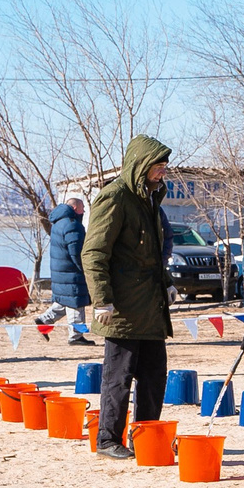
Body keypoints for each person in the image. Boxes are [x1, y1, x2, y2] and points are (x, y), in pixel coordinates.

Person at [82, 135, 175, 457]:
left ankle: (146, 436)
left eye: (164, 166)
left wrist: (167, 282)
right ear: (140, 166)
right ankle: (108, 439)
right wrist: (101, 299)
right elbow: (94, 252)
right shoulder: (115, 197)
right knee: (118, 379)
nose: (163, 172)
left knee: (153, 378)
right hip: (121, 308)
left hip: (151, 305)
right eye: (157, 166)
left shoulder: (149, 197)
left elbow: (151, 252)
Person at [46, 195, 92, 344]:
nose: (84, 210)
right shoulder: (73, 225)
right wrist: (85, 269)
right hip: (72, 271)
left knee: (66, 300)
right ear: (75, 208)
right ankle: (76, 336)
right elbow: (77, 252)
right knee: (76, 302)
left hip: (60, 269)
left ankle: (44, 320)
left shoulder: (58, 223)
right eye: (82, 208)